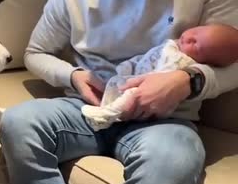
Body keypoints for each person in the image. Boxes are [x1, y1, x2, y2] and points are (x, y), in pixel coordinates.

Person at [0, 0, 238, 184]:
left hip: (165, 122)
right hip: (87, 109)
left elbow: (234, 56)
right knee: (18, 122)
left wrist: (188, 81)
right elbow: (35, 53)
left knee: (175, 160)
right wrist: (74, 76)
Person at [82, 24, 238, 131]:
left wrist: (188, 80)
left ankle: (106, 115)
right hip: (127, 81)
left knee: (132, 95)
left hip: (153, 107)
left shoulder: (181, 61)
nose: (189, 38)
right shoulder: (172, 46)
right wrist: (128, 66)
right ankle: (106, 109)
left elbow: (158, 81)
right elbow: (145, 58)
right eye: (196, 31)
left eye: (196, 45)